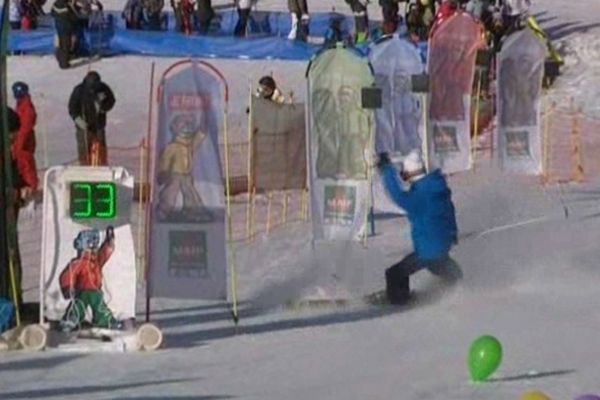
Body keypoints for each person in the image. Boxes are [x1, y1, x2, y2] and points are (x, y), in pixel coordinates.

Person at [377, 150, 462, 304]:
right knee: (445, 269)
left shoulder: (420, 197)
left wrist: (387, 170)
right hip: (443, 246)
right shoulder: (438, 188)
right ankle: (456, 285)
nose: (406, 181)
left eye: (405, 176)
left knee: (394, 274)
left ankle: (399, 301)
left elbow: (398, 196)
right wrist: (452, 235)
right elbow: (450, 214)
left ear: (410, 175)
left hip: (428, 251)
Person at [5, 106, 38, 309]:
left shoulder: (8, 155)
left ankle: (14, 304)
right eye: (11, 134)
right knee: (10, 260)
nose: (13, 139)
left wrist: (22, 188)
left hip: (9, 216)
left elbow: (13, 176)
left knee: (13, 261)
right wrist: (16, 194)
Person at [59, 227, 123, 331]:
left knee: (99, 305)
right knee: (78, 304)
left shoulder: (96, 261)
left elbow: (104, 254)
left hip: (95, 290)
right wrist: (67, 287)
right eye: (91, 244)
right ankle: (71, 318)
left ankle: (104, 320)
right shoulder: (79, 263)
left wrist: (109, 243)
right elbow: (68, 274)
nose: (93, 248)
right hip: (82, 290)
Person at [68, 71, 116, 165]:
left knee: (100, 147)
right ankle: (85, 168)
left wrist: (103, 108)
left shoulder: (103, 88)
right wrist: (78, 120)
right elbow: (72, 107)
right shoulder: (79, 90)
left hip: (99, 125)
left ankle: (102, 166)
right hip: (84, 126)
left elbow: (111, 100)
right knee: (84, 149)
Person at [51, 0, 79, 69]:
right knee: (66, 46)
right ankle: (64, 64)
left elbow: (52, 13)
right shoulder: (68, 6)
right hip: (67, 28)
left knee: (61, 44)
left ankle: (60, 58)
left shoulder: (55, 4)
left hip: (59, 27)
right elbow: (73, 17)